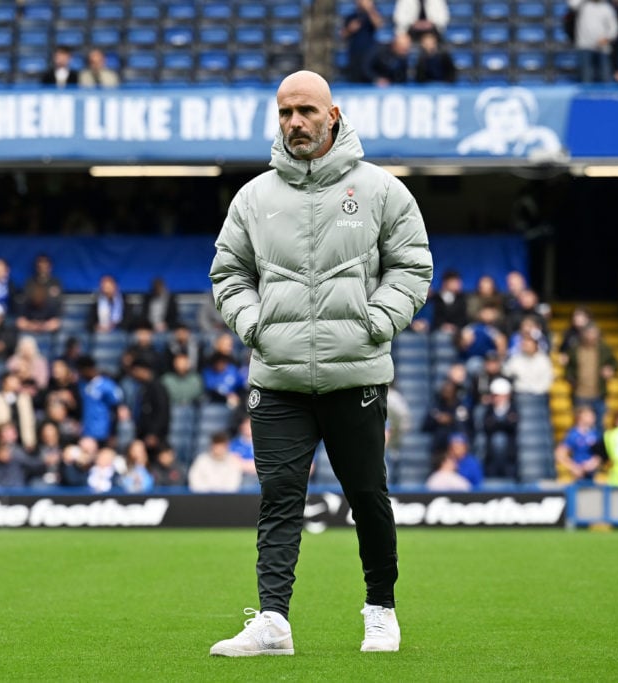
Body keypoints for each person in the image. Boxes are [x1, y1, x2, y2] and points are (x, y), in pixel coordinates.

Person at [208, 71, 431, 656]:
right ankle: (273, 623)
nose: (294, 123)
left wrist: (373, 324)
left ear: (333, 114)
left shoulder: (382, 190)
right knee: (279, 495)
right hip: (277, 377)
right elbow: (228, 273)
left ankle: (381, 611)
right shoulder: (253, 197)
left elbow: (412, 267)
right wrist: (254, 325)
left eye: (306, 111)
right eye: (285, 113)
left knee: (366, 495)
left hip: (354, 374)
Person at [564, 324, 617, 429]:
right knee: (580, 426)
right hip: (580, 393)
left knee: (599, 425)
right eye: (589, 334)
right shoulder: (575, 349)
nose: (591, 337)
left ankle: (599, 445)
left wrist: (610, 369)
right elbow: (569, 368)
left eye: (594, 334)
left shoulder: (604, 349)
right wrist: (570, 378)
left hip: (598, 393)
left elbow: (615, 364)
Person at [75, 356, 124, 445]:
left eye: (81, 371)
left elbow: (115, 409)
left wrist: (113, 433)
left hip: (102, 432)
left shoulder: (107, 385)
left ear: (88, 369)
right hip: (86, 432)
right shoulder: (82, 384)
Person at [569, 0, 618, 83]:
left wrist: (607, 38)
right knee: (586, 77)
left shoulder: (607, 8)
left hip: (603, 48)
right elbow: (572, 4)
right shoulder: (583, 5)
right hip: (584, 46)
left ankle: (606, 95)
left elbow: (614, 28)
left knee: (605, 77)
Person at [555, 405, 604, 481]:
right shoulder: (573, 434)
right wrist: (574, 467)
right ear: (580, 417)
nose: (593, 417)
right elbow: (560, 454)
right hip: (578, 477)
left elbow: (601, 454)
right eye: (589, 415)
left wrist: (593, 463)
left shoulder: (596, 434)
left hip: (593, 476)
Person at [341, 0, 383, 83]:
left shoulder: (373, 14)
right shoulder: (352, 16)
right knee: (354, 77)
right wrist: (350, 29)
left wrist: (370, 9)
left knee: (368, 73)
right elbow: (343, 35)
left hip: (369, 50)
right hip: (354, 51)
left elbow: (379, 24)